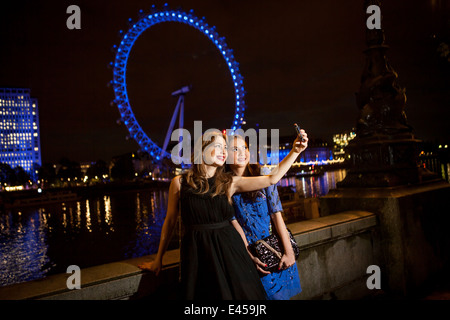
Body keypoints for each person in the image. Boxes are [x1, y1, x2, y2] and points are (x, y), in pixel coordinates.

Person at [138, 127, 308, 300]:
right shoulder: (179, 183)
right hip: (197, 255)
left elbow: (271, 178)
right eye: (219, 146)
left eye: (225, 148)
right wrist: (159, 258)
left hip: (231, 253)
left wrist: (295, 151)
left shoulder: (228, 183)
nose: (224, 152)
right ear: (202, 149)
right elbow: (170, 221)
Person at [226, 135, 302, 300]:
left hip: (275, 250)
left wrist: (288, 251)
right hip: (250, 254)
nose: (242, 152)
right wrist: (250, 256)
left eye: (244, 148)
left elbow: (276, 215)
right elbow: (234, 224)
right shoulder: (225, 186)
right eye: (235, 149)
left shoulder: (262, 173)